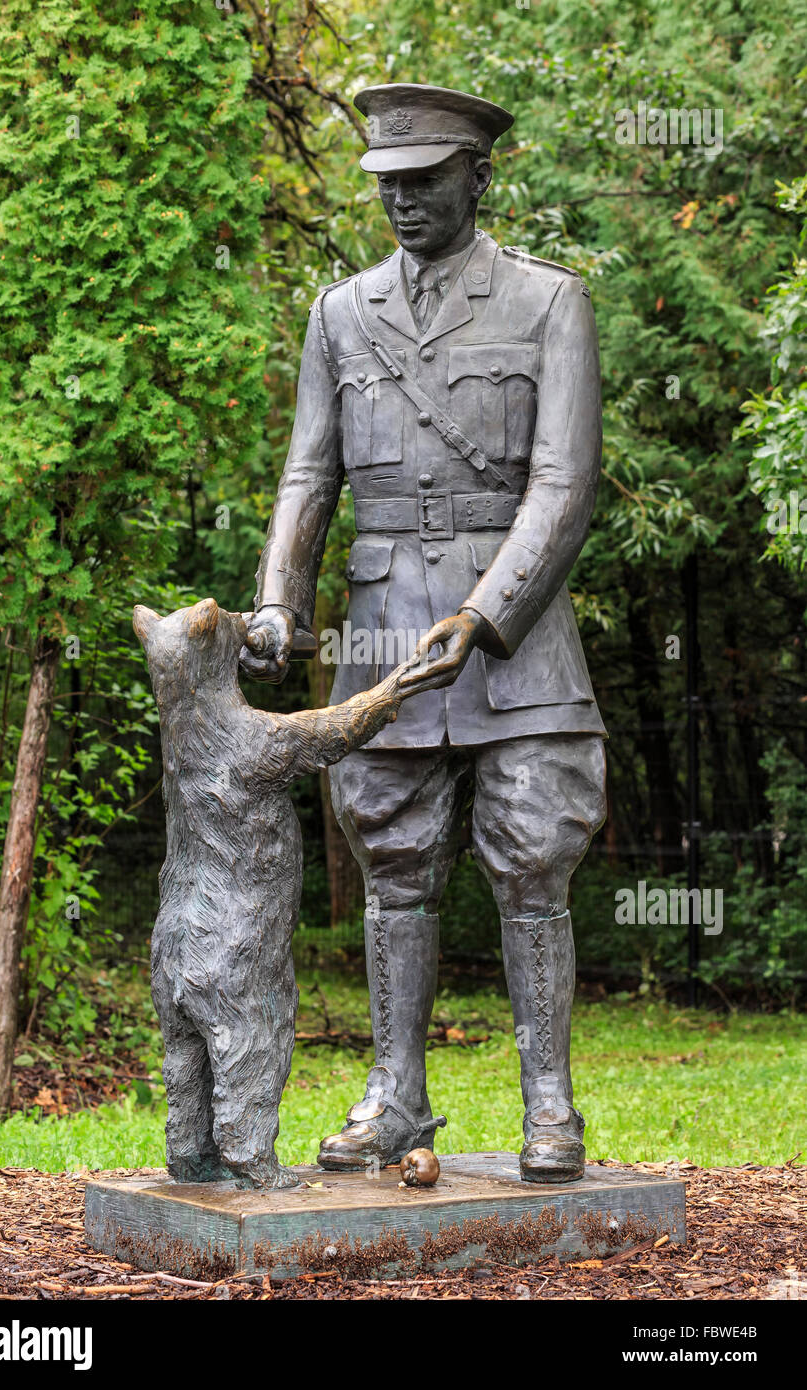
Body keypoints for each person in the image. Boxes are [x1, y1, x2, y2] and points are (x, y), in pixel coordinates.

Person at [243, 83, 607, 1183]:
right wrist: (277, 604)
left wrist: (486, 613)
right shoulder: (338, 314)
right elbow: (309, 474)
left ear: (476, 177)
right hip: (382, 635)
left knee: (533, 855)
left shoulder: (548, 304)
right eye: (385, 186)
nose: (399, 202)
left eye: (422, 181)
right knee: (391, 860)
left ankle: (548, 1102)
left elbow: (564, 482)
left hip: (518, 634)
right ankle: (395, 1095)